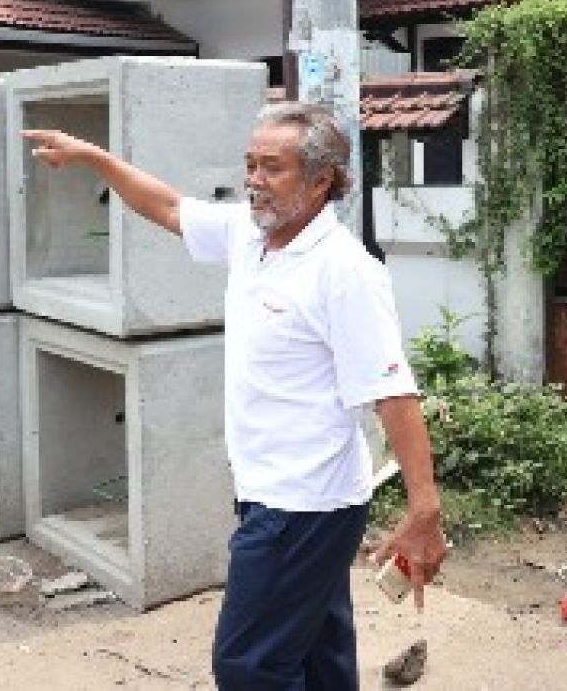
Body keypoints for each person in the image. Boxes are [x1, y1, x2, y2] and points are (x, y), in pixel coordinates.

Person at [23, 101, 447, 690]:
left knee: (248, 665)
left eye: (271, 167)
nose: (253, 179)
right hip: (278, 493)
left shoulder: (342, 271)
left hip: (301, 503)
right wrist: (96, 159)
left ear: (320, 180)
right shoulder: (252, 236)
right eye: (250, 164)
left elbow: (393, 394)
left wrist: (424, 510)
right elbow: (168, 207)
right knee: (318, 648)